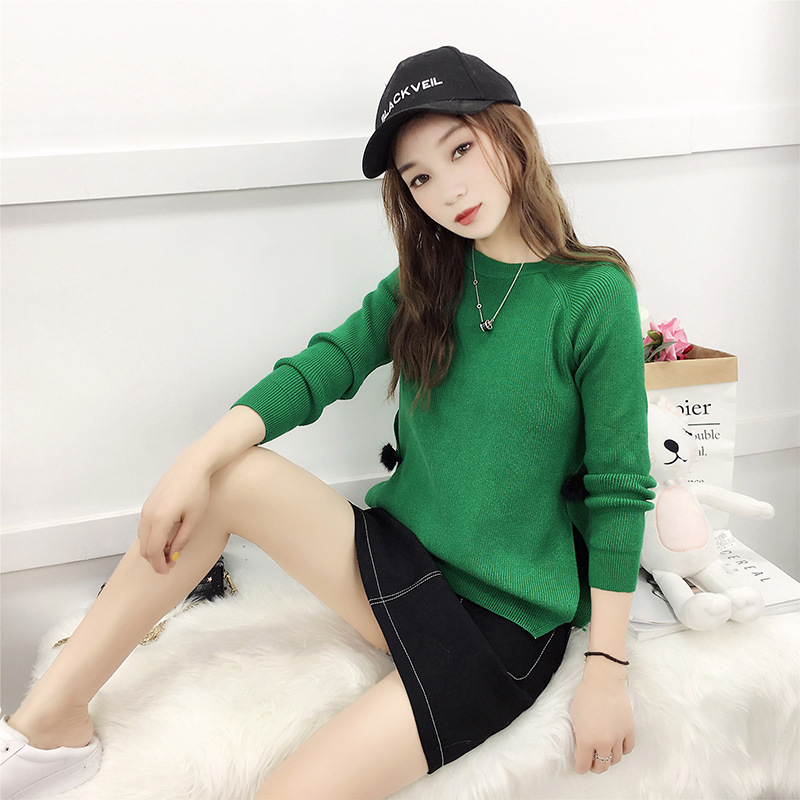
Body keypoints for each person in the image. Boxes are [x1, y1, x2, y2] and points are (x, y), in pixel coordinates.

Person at [1, 46, 656, 800]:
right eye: (419, 178)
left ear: (513, 135)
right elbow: (327, 365)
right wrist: (195, 459)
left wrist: (607, 671)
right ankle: (49, 724)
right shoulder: (431, 279)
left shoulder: (593, 294)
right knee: (231, 473)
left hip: (497, 622)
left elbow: (618, 489)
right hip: (403, 562)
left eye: (460, 149)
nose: (449, 190)